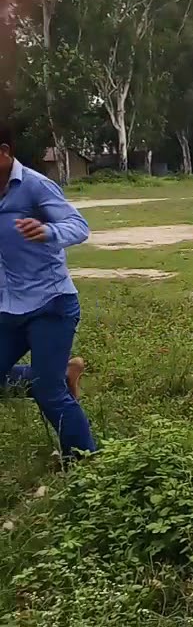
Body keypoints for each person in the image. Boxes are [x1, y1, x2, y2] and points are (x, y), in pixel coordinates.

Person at [0, 126, 98, 461]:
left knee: (48, 390)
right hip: (8, 306)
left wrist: (46, 230)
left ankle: (84, 462)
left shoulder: (34, 185)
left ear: (4, 152)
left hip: (50, 304)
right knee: (43, 379)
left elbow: (78, 226)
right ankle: (62, 372)